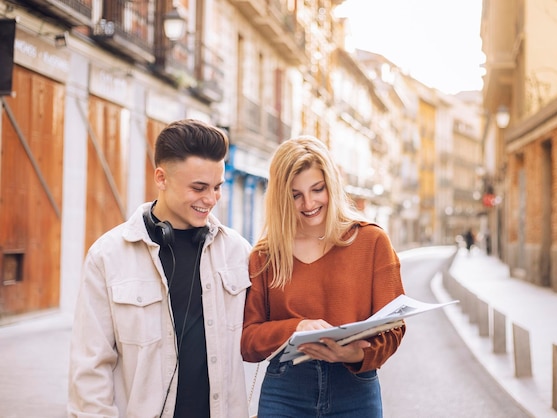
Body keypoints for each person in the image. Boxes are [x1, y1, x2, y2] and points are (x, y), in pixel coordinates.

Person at [68, 119, 252, 418]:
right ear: (161, 177)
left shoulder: (238, 252)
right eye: (198, 187)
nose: (211, 199)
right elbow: (90, 368)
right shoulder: (108, 255)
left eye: (217, 187)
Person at [241, 136, 406, 417]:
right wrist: (296, 327)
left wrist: (356, 355)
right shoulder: (266, 255)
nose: (309, 203)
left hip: (354, 390)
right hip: (285, 390)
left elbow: (394, 327)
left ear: (331, 184)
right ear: (281, 197)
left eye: (317, 189)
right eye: (295, 195)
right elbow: (248, 341)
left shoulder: (372, 241)